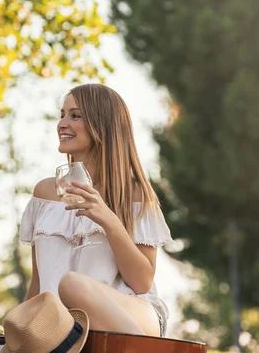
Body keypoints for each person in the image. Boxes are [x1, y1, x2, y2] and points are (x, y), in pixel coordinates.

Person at [20, 83, 173, 337]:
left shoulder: (135, 195)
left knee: (72, 284)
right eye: (62, 115)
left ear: (102, 125)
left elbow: (142, 282)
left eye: (75, 115)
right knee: (50, 304)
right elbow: (38, 284)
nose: (62, 124)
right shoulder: (44, 195)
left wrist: (109, 221)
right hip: (65, 324)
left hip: (133, 315)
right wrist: (22, 331)